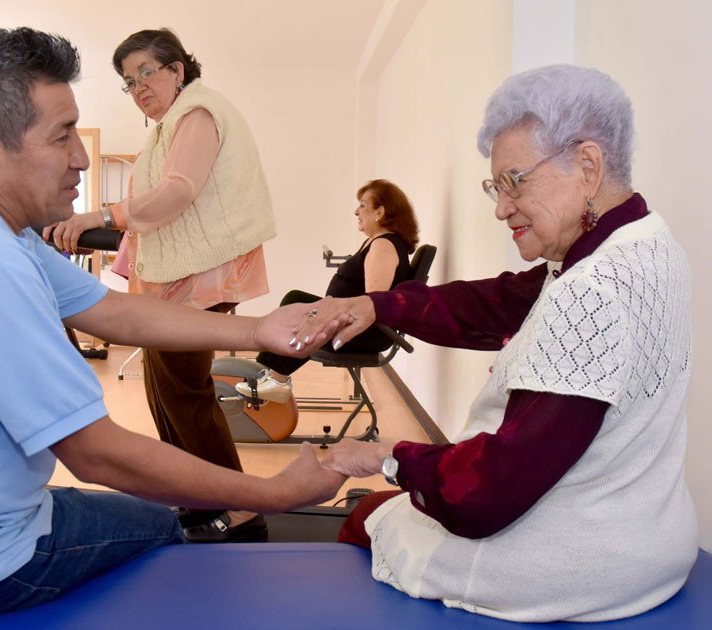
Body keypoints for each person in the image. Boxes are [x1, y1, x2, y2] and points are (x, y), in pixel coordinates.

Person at [0, 26, 345, 620]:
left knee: (139, 493)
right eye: (61, 135)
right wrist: (272, 492)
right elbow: (98, 454)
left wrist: (256, 330)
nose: (82, 157)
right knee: (165, 527)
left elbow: (110, 310)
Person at [295, 64, 697, 622]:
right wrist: (377, 305)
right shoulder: (646, 243)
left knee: (368, 519)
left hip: (581, 566)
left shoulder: (593, 289)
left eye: (515, 181)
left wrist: (385, 456)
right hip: (653, 542)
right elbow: (502, 302)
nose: (501, 207)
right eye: (497, 186)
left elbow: (488, 493)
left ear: (587, 166)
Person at [43, 28, 275, 542]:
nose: (139, 86)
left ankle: (238, 507)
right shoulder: (172, 123)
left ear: (177, 69)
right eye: (129, 81)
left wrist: (101, 215)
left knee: (185, 392)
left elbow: (178, 192)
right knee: (165, 391)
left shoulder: (197, 113)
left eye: (147, 72)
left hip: (200, 276)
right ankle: (194, 494)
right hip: (179, 277)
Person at [235, 179, 419, 403]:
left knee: (296, 300)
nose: (356, 211)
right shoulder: (378, 241)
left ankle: (272, 379)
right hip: (353, 324)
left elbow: (372, 304)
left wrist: (327, 313)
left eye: (362, 205)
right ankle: (270, 377)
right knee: (299, 302)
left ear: (380, 212)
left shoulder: (384, 245)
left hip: (366, 332)